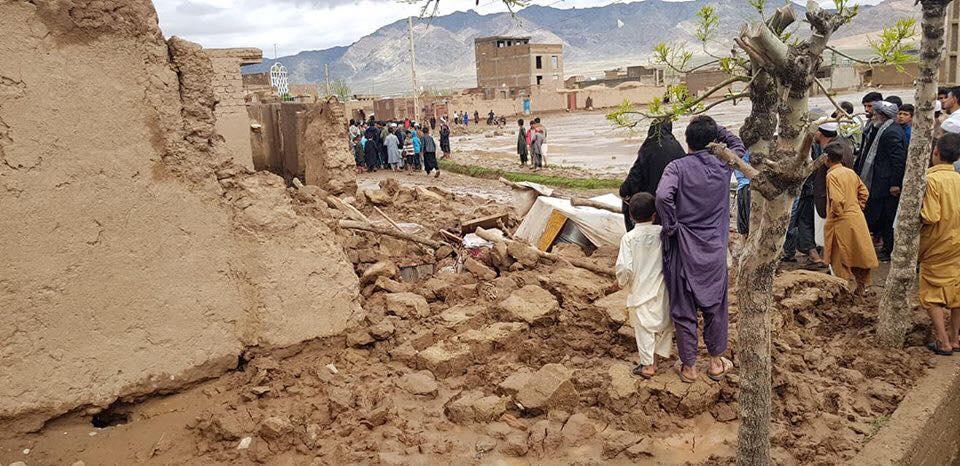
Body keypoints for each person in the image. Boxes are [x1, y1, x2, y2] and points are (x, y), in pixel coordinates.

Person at [656, 115, 741, 383]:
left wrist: (671, 225)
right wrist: (719, 132)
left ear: (687, 140)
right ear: (712, 141)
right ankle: (716, 362)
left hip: (682, 247)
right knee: (716, 306)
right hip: (714, 249)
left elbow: (662, 196)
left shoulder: (676, 168)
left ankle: (689, 366)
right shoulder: (723, 164)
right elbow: (738, 145)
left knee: (683, 308)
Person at [616, 192, 674, 379]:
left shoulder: (629, 238)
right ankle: (655, 360)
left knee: (644, 329)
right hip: (663, 288)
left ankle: (648, 366)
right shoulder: (662, 233)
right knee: (662, 325)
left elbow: (625, 267)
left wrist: (622, 281)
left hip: (641, 291)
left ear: (631, 216)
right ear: (654, 214)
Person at [919, 133, 960, 354]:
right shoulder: (959, 179)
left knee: (932, 293)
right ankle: (955, 338)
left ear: (935, 152)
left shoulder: (930, 180)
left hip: (937, 244)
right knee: (957, 291)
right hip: (958, 245)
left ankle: (943, 342)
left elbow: (931, 216)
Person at [855, 100, 907, 261]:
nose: (873, 116)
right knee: (880, 216)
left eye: (876, 114)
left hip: (886, 186)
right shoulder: (881, 129)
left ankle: (888, 249)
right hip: (880, 183)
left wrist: (895, 184)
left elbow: (898, 161)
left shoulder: (891, 132)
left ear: (883, 116)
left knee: (887, 218)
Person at [824, 143, 879, 295]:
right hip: (856, 217)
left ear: (826, 158)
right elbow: (864, 193)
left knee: (840, 256)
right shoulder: (850, 172)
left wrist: (837, 213)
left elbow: (836, 199)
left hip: (841, 221)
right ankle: (861, 287)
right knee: (859, 253)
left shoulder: (831, 175)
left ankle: (843, 290)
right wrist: (857, 207)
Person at [783, 122, 836, 268]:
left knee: (804, 222)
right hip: (818, 191)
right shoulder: (829, 146)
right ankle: (819, 254)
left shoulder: (810, 145)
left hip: (808, 190)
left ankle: (813, 255)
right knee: (814, 222)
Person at [619, 119, 684, 231]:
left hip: (652, 203)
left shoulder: (649, 147)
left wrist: (624, 191)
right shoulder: (678, 147)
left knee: (629, 202)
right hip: (676, 202)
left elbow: (635, 176)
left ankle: (634, 233)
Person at [857, 92, 884, 156]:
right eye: (865, 106)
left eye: (869, 106)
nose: (866, 109)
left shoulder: (881, 125)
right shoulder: (870, 122)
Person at [734, 153, 751, 236]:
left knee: (746, 223)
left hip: (746, 187)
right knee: (745, 223)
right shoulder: (742, 151)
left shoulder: (745, 151)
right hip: (744, 186)